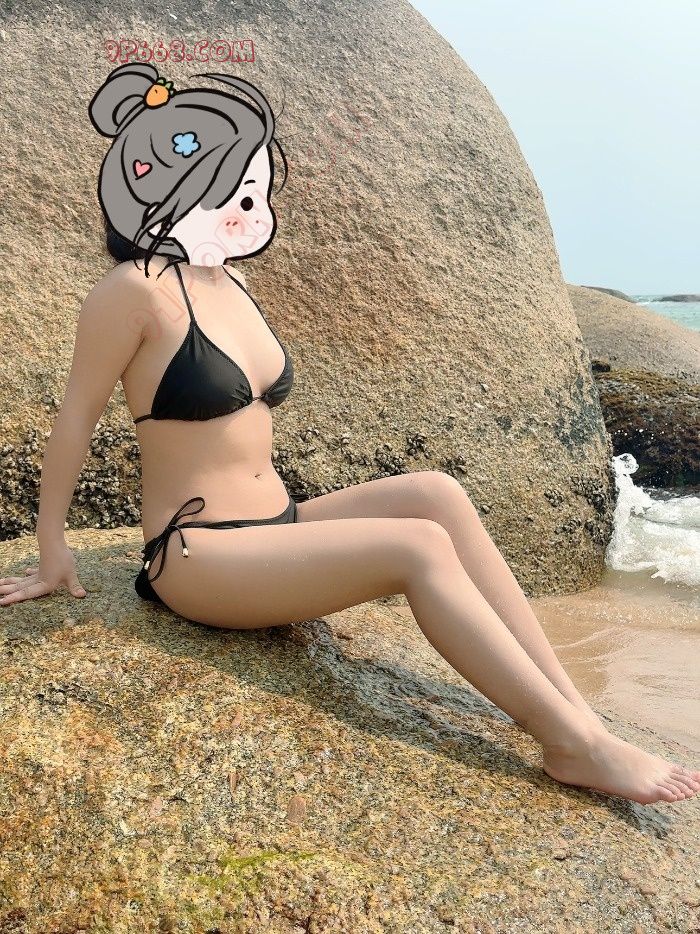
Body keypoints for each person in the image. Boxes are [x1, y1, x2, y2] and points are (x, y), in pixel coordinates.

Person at [1, 63, 698, 807]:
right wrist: (53, 548)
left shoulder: (229, 281)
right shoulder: (130, 292)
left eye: (257, 191)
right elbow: (74, 420)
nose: (254, 210)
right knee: (416, 548)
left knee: (437, 494)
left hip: (275, 524)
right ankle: (569, 744)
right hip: (197, 555)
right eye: (238, 190)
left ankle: (574, 709)